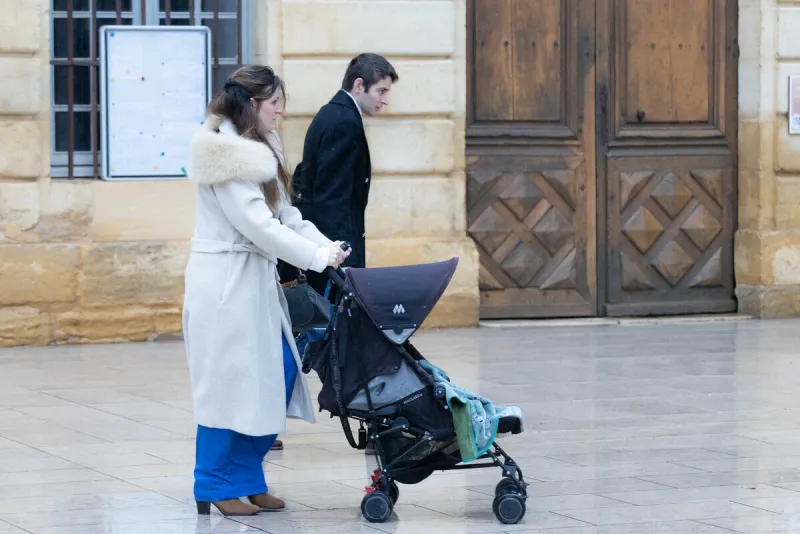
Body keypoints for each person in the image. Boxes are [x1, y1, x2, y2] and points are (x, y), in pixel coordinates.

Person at [183, 64, 350, 517]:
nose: (280, 111)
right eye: (275, 102)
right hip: (225, 284)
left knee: (272, 375)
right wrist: (313, 259)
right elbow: (258, 226)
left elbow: (285, 217)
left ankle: (247, 477)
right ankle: (214, 483)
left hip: (252, 282)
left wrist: (326, 246)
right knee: (228, 384)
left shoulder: (258, 148)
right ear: (252, 104)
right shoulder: (230, 156)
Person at [287, 53, 398, 297]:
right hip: (335, 249)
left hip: (328, 245)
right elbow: (333, 198)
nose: (386, 99)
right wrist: (342, 257)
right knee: (338, 326)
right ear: (359, 85)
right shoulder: (343, 122)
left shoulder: (337, 114)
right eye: (381, 91)